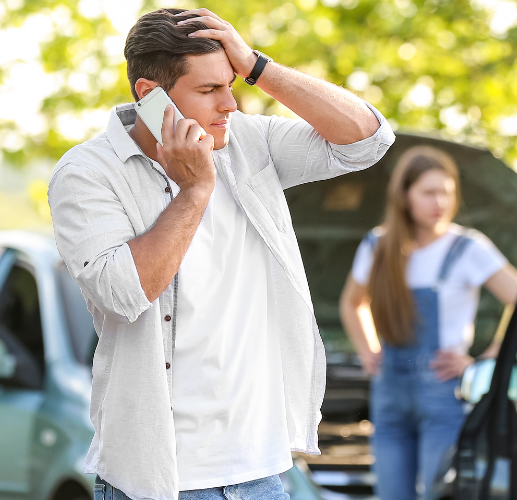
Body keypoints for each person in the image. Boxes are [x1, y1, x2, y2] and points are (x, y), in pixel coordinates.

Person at [47, 8, 394, 500]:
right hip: (161, 482)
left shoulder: (248, 142)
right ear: (150, 96)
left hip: (263, 474)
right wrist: (193, 193)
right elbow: (125, 294)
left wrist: (257, 66)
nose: (230, 104)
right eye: (210, 91)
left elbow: (368, 140)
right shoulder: (87, 173)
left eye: (233, 85)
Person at [339, 145, 517, 500]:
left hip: (445, 397)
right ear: (405, 196)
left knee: (439, 494)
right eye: (428, 192)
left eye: (447, 193)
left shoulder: (469, 248)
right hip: (389, 395)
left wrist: (487, 360)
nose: (439, 202)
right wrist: (368, 351)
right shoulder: (378, 245)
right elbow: (352, 303)